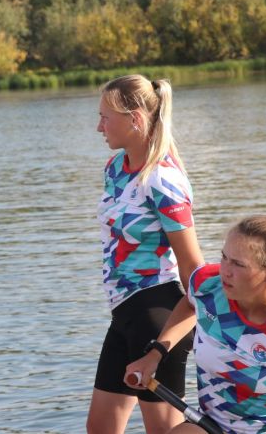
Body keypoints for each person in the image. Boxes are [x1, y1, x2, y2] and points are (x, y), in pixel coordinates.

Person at [125, 216, 266, 434]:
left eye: (238, 264)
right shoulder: (207, 284)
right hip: (213, 425)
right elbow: (191, 303)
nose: (225, 271)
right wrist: (155, 354)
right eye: (224, 257)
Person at [87, 74, 206, 434]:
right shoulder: (115, 170)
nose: (98, 127)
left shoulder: (162, 180)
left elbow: (194, 271)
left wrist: (160, 348)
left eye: (106, 117)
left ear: (135, 119)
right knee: (101, 428)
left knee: (167, 432)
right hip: (124, 312)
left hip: (159, 315)